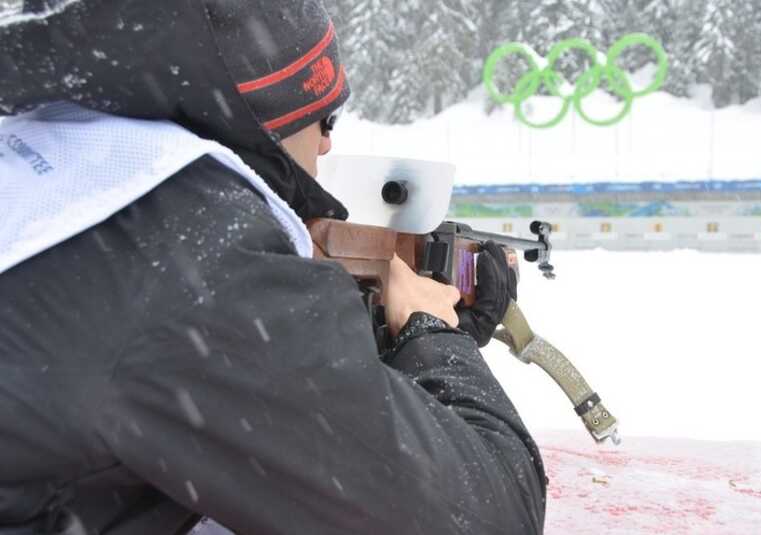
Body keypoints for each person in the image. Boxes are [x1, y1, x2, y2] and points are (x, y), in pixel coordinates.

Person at [0, 1, 547, 534]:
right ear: (266, 117)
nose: (329, 142)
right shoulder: (195, 257)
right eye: (325, 116)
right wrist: (434, 337)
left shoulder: (64, 164)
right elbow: (488, 513)